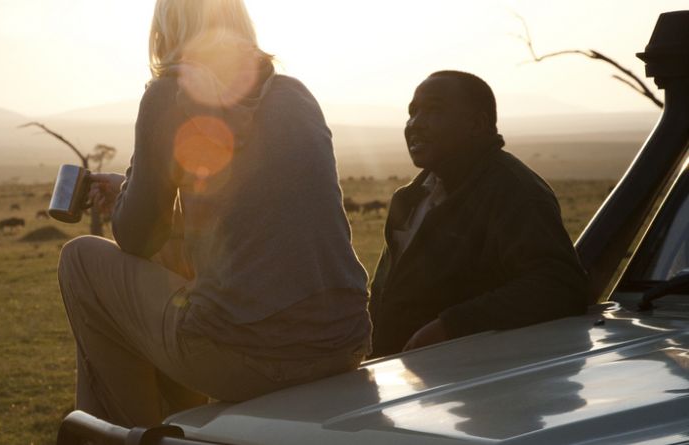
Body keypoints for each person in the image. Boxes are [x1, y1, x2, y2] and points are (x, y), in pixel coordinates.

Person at [57, 0, 372, 427]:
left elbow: (136, 238)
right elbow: (246, 219)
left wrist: (132, 193)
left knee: (80, 261)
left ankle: (128, 434)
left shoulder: (171, 94)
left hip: (250, 357)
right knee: (175, 259)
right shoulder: (293, 93)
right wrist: (137, 189)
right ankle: (176, 424)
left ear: (165, 32)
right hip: (343, 344)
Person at [368, 70, 588, 358]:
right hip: (400, 376)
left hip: (471, 382)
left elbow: (559, 285)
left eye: (434, 110)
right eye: (412, 112)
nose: (415, 124)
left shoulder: (513, 191)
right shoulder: (409, 198)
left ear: (477, 124)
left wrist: (450, 326)